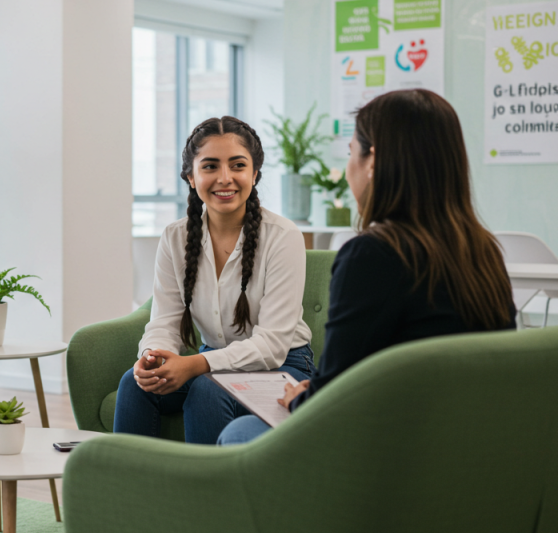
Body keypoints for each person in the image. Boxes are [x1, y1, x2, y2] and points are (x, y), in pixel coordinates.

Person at [218, 89, 516, 445]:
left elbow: (332, 404)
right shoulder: (484, 251)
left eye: (350, 154)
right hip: (473, 447)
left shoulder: (373, 256)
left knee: (240, 433)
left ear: (372, 161)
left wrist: (300, 397)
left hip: (391, 454)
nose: (347, 171)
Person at [112, 116, 314, 445]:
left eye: (237, 165)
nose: (225, 178)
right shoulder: (175, 237)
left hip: (283, 366)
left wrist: (197, 364)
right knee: (135, 383)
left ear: (255, 174)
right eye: (210, 166)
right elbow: (164, 320)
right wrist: (152, 357)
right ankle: (130, 493)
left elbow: (272, 346)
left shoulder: (283, 236)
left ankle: (207, 496)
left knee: (209, 386)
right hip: (210, 359)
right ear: (191, 177)